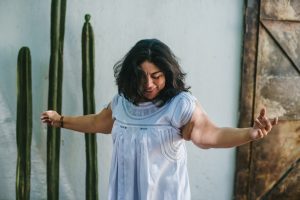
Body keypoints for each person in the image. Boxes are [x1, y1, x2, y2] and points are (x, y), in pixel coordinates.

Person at [41, 39, 278, 200]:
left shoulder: (180, 104)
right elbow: (96, 123)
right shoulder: (122, 102)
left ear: (168, 73)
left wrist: (251, 133)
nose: (149, 84)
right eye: (141, 77)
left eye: (156, 76)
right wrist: (61, 120)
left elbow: (210, 135)